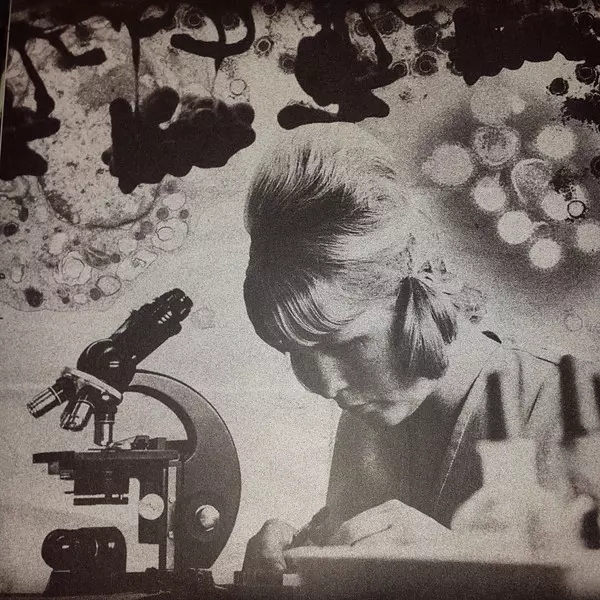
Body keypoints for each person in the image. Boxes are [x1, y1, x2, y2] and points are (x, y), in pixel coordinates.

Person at [241, 123, 600, 572]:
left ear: (414, 292)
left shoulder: (581, 404)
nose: (328, 386)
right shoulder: (366, 423)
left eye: (347, 344)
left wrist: (463, 564)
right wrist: (301, 557)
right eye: (298, 352)